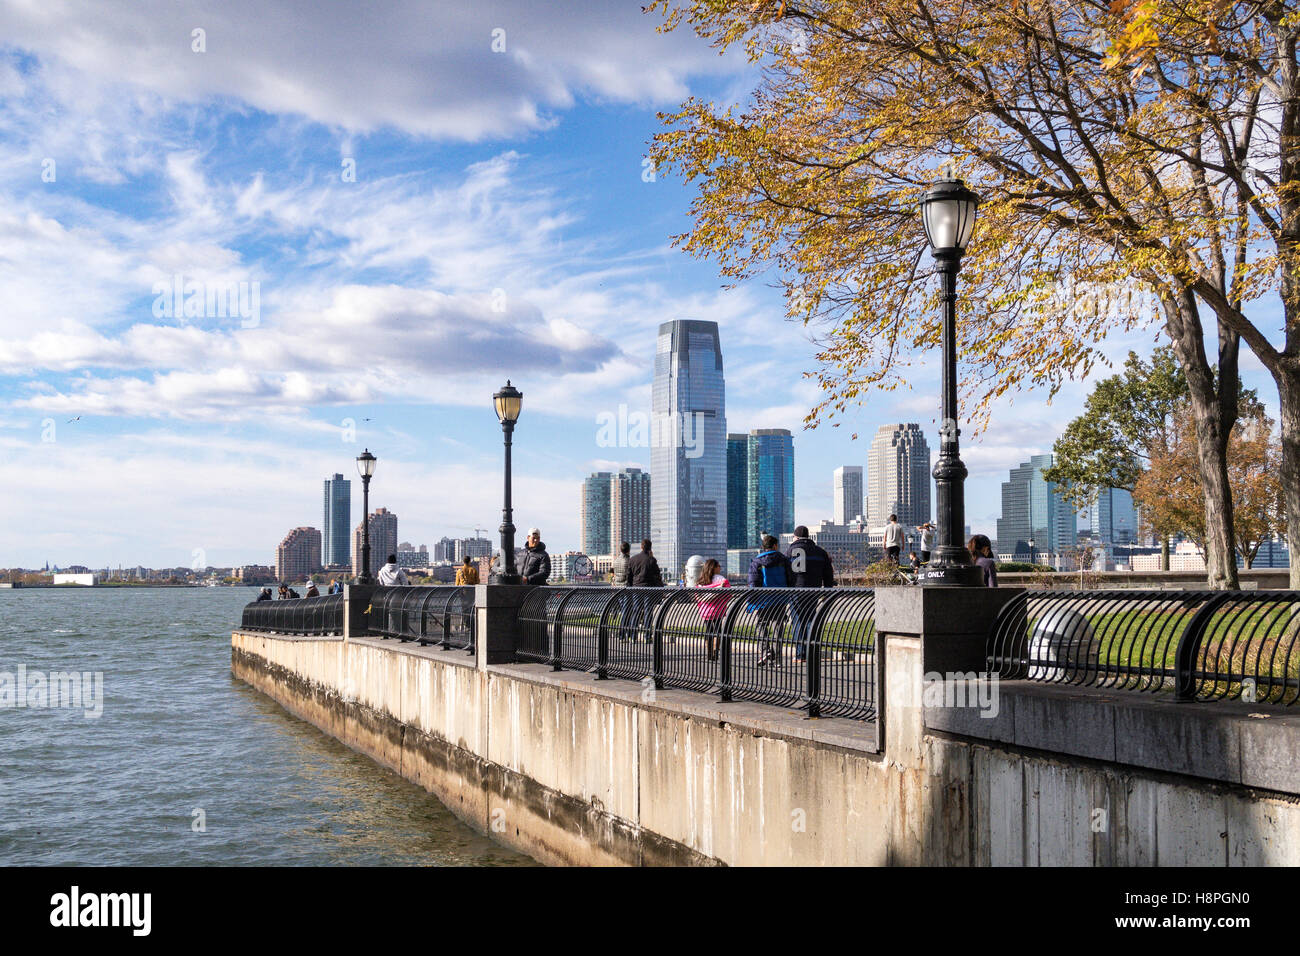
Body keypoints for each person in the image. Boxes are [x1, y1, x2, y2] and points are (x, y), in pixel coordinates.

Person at [787, 525, 835, 664]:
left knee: (797, 622)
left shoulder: (790, 550)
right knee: (810, 620)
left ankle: (800, 654)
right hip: (813, 590)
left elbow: (786, 571)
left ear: (795, 537)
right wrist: (827, 589)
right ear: (808, 536)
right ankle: (812, 651)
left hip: (795, 590)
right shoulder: (820, 551)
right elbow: (828, 573)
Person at [747, 535, 793, 667]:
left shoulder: (756, 562)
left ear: (763, 547)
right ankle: (777, 659)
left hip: (763, 600)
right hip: (781, 598)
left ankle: (765, 651)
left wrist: (752, 601)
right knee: (778, 628)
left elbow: (753, 583)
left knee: (761, 624)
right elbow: (791, 579)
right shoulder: (784, 560)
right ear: (775, 546)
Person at [626, 539, 664, 642]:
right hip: (648, 589)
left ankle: (633, 636)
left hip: (636, 588)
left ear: (641, 547)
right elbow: (657, 575)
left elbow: (629, 576)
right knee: (648, 612)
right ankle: (647, 636)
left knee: (636, 611)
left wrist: (629, 587)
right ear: (650, 548)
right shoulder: (652, 560)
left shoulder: (633, 559)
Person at [695, 558, 730, 662]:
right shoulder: (720, 579)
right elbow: (728, 592)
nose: (720, 568)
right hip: (718, 609)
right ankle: (716, 651)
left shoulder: (701, 580)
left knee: (708, 630)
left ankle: (709, 653)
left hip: (706, 611)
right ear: (714, 568)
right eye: (718, 566)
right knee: (718, 630)